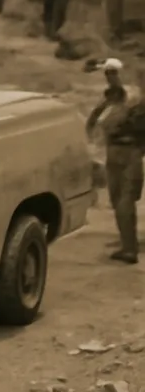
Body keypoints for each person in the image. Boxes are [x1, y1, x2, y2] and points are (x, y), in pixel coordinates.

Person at [86, 81, 143, 264]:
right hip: (130, 153)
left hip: (119, 153)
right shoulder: (133, 106)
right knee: (124, 200)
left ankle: (129, 249)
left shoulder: (118, 108)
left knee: (122, 200)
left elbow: (95, 122)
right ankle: (129, 247)